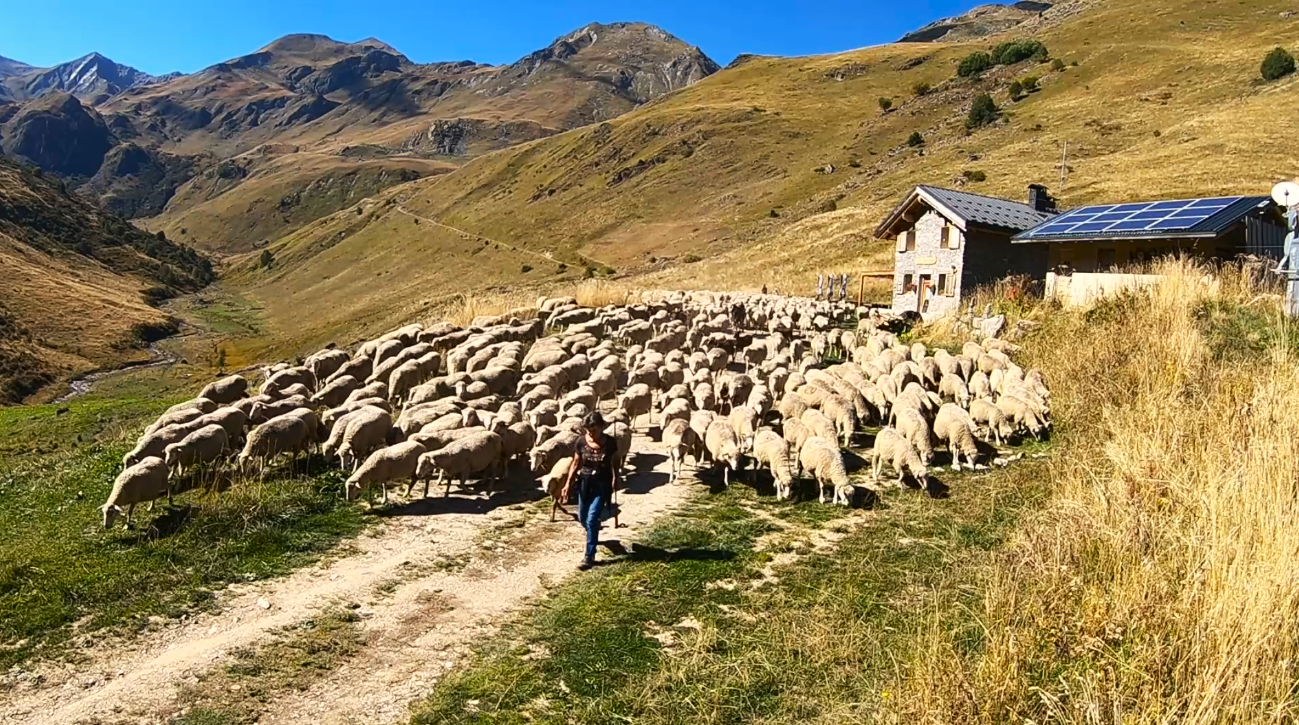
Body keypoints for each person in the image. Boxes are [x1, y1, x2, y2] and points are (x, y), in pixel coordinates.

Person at [560, 412, 622, 570]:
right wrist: (568, 484)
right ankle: (593, 531)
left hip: (602, 484)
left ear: (601, 427)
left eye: (593, 430)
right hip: (585, 483)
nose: (590, 433)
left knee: (592, 518)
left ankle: (589, 555)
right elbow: (576, 463)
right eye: (588, 430)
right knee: (583, 518)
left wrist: (616, 476)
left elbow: (615, 460)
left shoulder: (610, 442)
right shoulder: (581, 441)